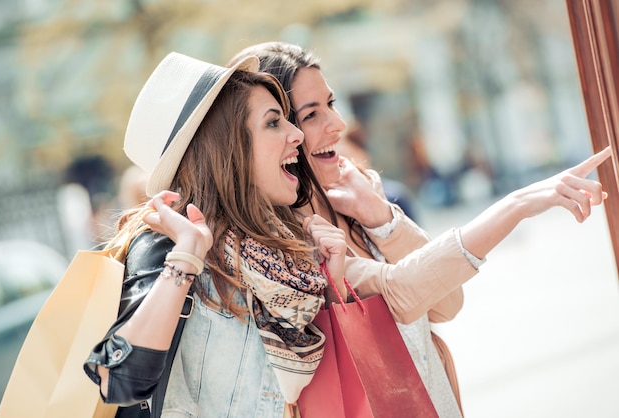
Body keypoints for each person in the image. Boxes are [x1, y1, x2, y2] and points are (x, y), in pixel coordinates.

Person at [228, 41, 612, 417]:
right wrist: (516, 205)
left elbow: (447, 303)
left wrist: (382, 218)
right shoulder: (281, 240)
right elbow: (401, 291)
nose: (338, 124)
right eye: (311, 114)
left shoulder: (358, 195)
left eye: (331, 104)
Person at [83, 52, 349, 418]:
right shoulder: (169, 243)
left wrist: (332, 283)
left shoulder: (284, 254)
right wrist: (188, 254)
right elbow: (120, 381)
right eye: (273, 123)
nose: (296, 133)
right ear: (227, 149)